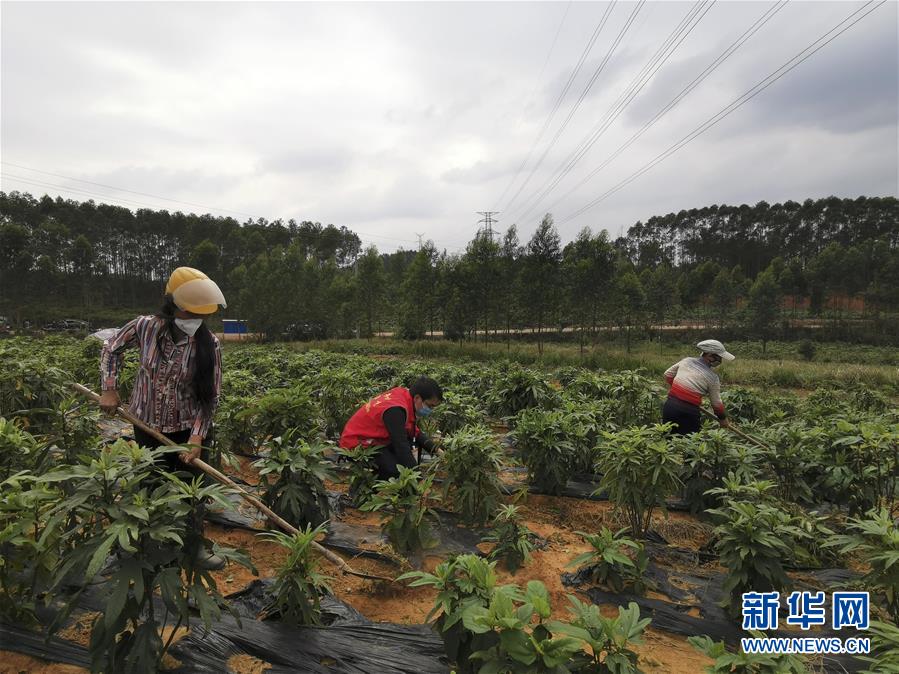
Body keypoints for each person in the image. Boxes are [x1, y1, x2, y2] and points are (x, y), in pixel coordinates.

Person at [99, 267, 226, 569]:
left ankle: (192, 547)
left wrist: (197, 437)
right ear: (173, 304)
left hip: (187, 431)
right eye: (189, 311)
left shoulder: (209, 344)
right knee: (149, 484)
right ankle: (146, 545)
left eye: (200, 313)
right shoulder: (145, 328)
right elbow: (111, 348)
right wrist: (109, 388)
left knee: (190, 490)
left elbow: (211, 397)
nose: (195, 318)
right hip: (146, 425)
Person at [339, 377, 443, 479]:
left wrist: (438, 451)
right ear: (417, 398)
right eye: (430, 406)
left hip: (374, 439)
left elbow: (414, 432)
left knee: (411, 447)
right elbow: (401, 445)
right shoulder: (395, 410)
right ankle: (363, 488)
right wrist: (417, 477)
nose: (430, 409)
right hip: (357, 443)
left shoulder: (404, 396)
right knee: (394, 471)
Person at [662, 339, 734, 436]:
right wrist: (723, 419)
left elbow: (668, 375)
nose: (720, 361)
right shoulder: (713, 378)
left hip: (670, 406)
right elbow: (716, 404)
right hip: (688, 412)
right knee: (691, 441)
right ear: (709, 355)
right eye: (719, 357)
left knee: (668, 437)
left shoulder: (686, 361)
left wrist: (678, 391)